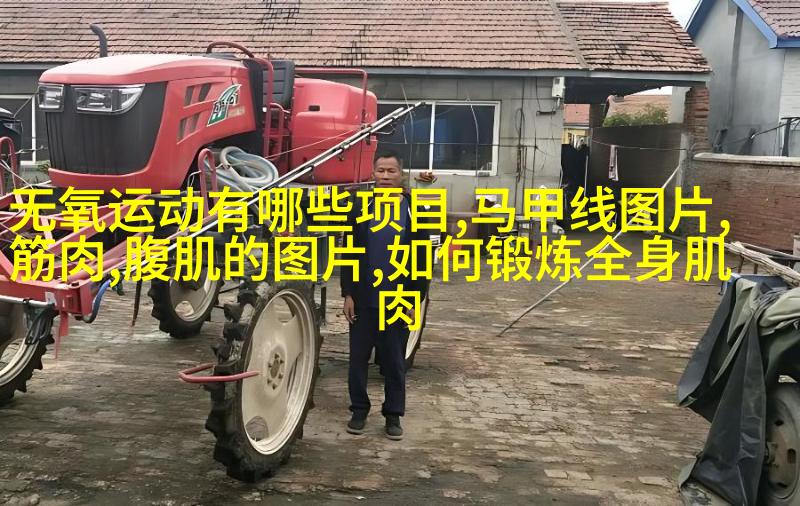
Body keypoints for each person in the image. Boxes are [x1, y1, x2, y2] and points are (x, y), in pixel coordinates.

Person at [340, 149, 431, 440]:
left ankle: (393, 415)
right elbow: (349, 252)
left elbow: (422, 259)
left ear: (401, 174)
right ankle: (359, 410)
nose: (386, 176)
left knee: (394, 361)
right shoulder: (360, 208)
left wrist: (415, 300)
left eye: (392, 171)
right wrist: (348, 294)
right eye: (381, 171)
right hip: (364, 299)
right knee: (357, 360)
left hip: (399, 299)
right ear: (373, 174)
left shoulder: (414, 210)